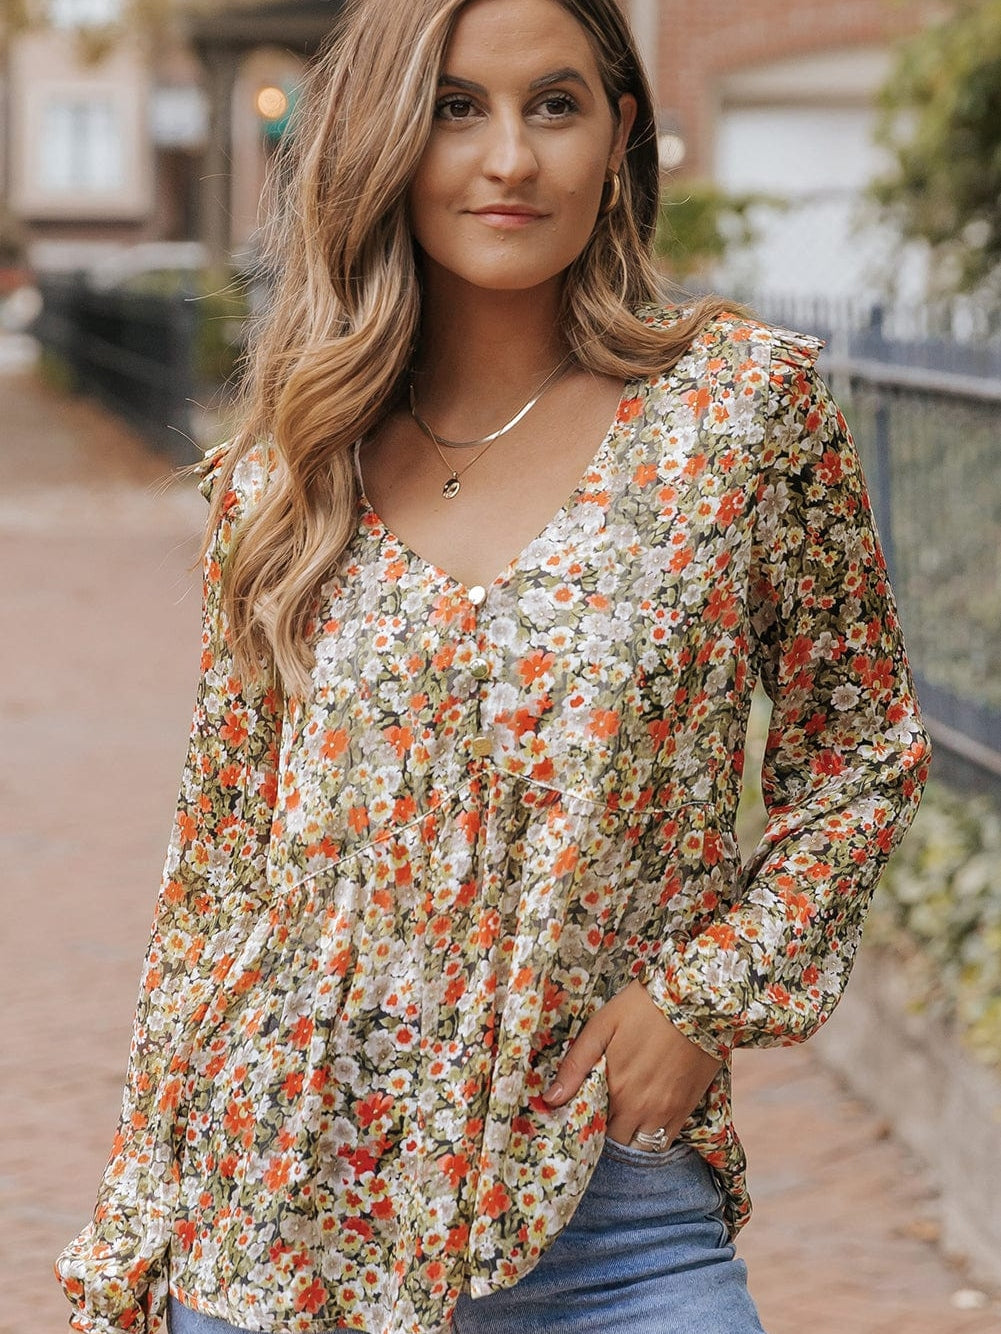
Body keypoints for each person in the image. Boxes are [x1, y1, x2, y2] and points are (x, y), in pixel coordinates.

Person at [56, 0, 931, 1331]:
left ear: (619, 132)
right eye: (455, 108)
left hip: (609, 1224)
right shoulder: (284, 478)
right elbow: (220, 870)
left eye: (554, 105)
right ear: (384, 141)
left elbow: (859, 752)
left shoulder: (738, 412)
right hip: (277, 1220)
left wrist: (702, 997)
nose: (508, 158)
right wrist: (139, 1225)